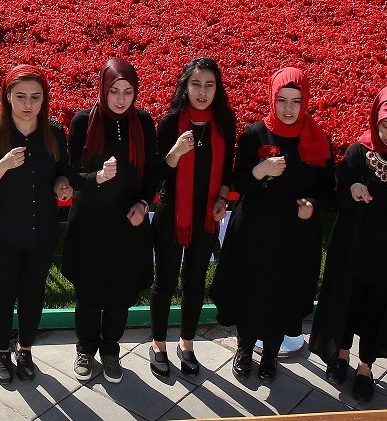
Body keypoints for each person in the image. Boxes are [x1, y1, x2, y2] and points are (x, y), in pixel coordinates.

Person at [310, 83, 387, 404]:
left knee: (377, 308)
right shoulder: (358, 153)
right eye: (386, 126)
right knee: (349, 301)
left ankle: (366, 366)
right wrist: (352, 190)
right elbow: (337, 198)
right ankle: (341, 354)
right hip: (353, 248)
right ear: (375, 120)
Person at [210, 68, 334, 383]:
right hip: (254, 230)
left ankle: (270, 355)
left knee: (284, 292)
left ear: (305, 102)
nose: (288, 109)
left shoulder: (319, 140)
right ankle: (244, 348)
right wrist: (259, 170)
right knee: (250, 290)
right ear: (272, 99)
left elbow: (326, 191)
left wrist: (313, 207)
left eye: (295, 101)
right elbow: (238, 182)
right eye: (282, 100)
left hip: (295, 234)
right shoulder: (254, 135)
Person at [0, 65, 75, 386]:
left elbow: (62, 171)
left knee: (33, 293)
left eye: (35, 97)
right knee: (1, 294)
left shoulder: (54, 132)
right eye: (20, 96)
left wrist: (62, 185)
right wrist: (2, 165)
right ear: (7, 97)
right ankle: (1, 352)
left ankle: (25, 350)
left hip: (40, 230)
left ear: (44, 100)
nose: (28, 104)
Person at [64, 60, 158, 384]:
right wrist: (99, 177)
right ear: (103, 89)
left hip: (127, 223)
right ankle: (85, 349)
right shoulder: (82, 122)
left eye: (128, 92)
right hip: (90, 223)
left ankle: (110, 349)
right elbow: (72, 175)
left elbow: (154, 172)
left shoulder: (143, 123)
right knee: (89, 293)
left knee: (120, 293)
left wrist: (144, 204)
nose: (120, 99)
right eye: (114, 91)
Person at [149, 58, 236, 379]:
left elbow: (228, 169)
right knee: (166, 281)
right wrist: (174, 154)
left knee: (195, 282)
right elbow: (156, 173)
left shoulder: (225, 121)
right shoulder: (171, 122)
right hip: (173, 214)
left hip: (207, 216)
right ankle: (158, 345)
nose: (202, 92)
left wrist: (223, 198)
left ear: (218, 88)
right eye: (196, 84)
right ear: (185, 87)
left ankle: (186, 344)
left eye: (209, 85)